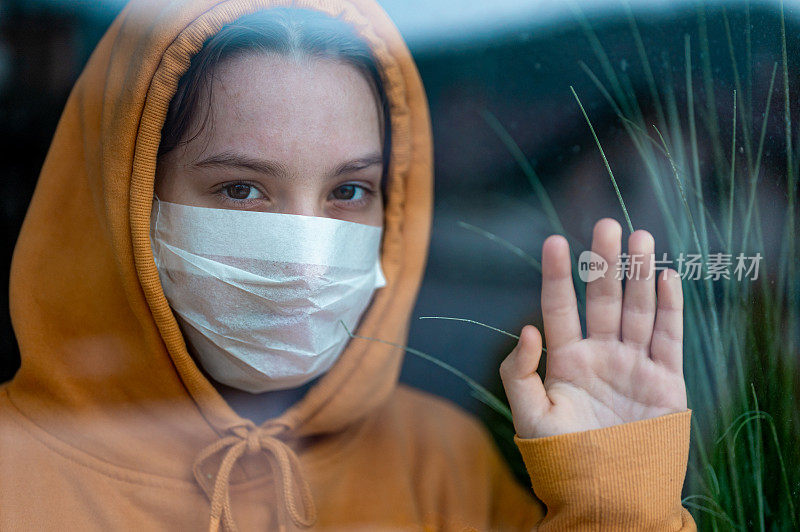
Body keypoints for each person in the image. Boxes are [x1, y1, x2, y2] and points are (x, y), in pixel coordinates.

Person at [0, 0, 696, 530]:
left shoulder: (443, 464)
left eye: (349, 191)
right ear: (122, 202)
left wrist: (614, 503)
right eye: (241, 189)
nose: (306, 264)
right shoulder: (15, 473)